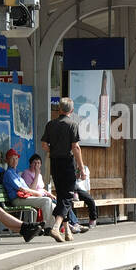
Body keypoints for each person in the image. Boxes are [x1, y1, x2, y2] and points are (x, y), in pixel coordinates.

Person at [41, 97, 84, 241]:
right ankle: (55, 226)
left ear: (59, 109)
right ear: (71, 110)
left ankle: (67, 232)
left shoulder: (50, 124)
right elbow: (76, 147)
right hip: (67, 163)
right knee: (67, 197)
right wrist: (82, 168)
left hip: (55, 163)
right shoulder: (72, 125)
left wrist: (53, 151)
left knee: (61, 196)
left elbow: (44, 145)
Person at [2, 148, 63, 241]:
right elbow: (22, 189)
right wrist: (38, 194)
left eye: (16, 158)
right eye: (12, 158)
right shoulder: (9, 173)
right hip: (17, 199)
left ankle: (55, 228)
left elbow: (27, 189)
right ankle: (48, 228)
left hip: (24, 197)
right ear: (7, 160)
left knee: (54, 204)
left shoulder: (16, 173)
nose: (15, 161)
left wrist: (40, 193)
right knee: (46, 201)